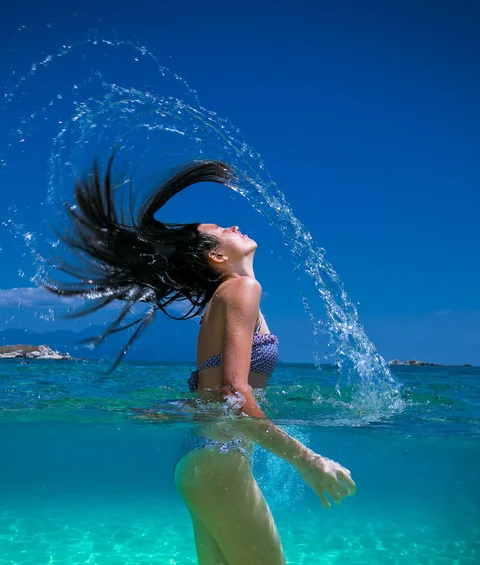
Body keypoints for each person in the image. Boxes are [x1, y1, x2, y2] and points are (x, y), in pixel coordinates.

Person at [46, 155, 356, 565]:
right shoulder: (242, 289)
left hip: (202, 463)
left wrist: (167, 409)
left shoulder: (221, 300)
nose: (231, 226)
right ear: (216, 257)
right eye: (219, 230)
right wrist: (309, 460)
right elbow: (233, 393)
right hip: (218, 466)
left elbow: (212, 397)